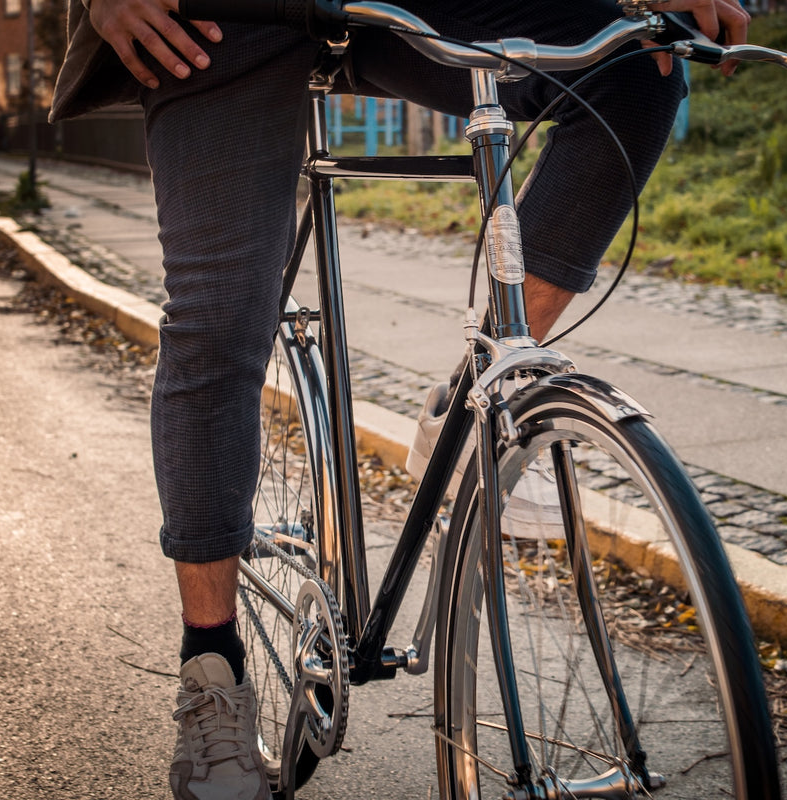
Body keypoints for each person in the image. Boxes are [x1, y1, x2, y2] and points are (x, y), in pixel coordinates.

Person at [50, 0, 750, 797]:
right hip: (221, 17)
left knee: (637, 71)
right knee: (216, 321)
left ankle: (466, 400)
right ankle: (212, 670)